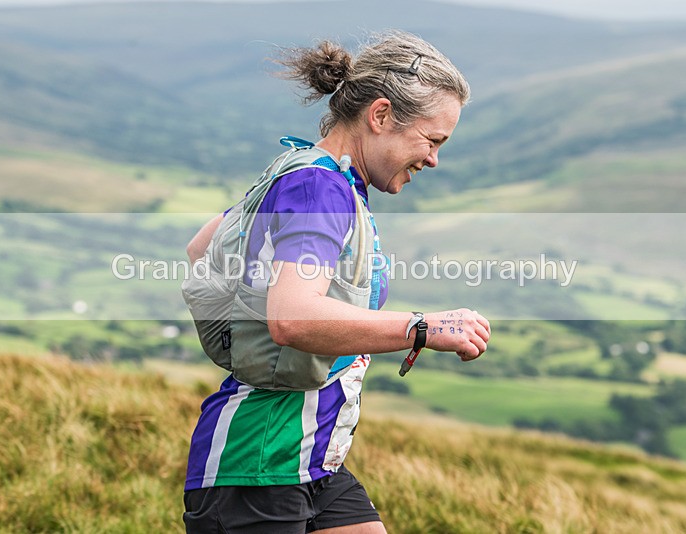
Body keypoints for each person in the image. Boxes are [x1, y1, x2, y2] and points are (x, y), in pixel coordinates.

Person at [182, 30, 491, 534]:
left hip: (313, 459)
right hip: (259, 464)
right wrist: (420, 328)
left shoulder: (313, 174)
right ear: (382, 115)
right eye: (432, 141)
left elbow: (203, 248)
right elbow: (293, 317)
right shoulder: (320, 187)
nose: (434, 159)